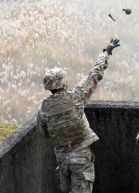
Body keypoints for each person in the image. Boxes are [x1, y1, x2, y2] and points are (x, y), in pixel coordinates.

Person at [36, 38, 120, 193]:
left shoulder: (43, 108)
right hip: (80, 156)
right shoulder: (76, 97)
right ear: (64, 83)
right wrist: (106, 52)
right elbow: (95, 74)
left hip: (61, 158)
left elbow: (44, 133)